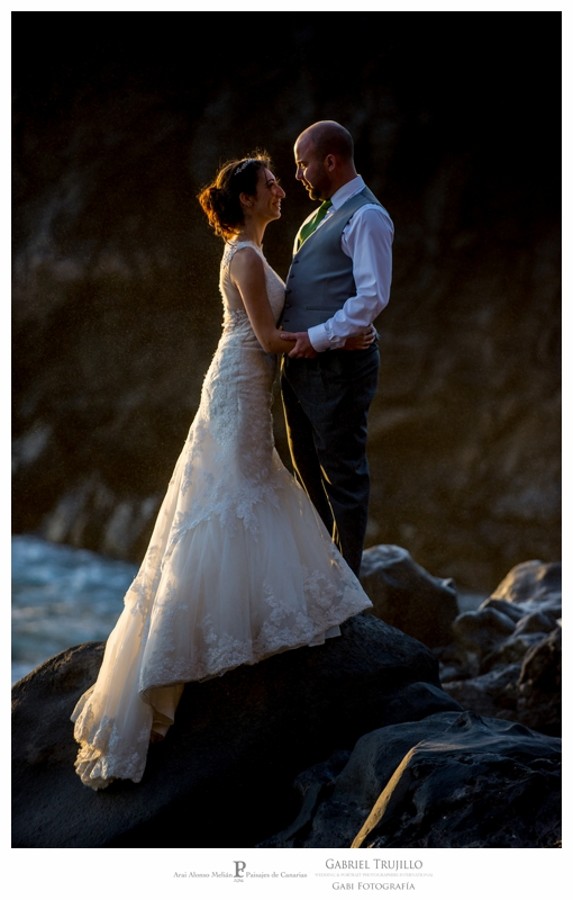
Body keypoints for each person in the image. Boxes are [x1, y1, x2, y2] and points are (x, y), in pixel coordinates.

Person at [70, 152, 374, 791]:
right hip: (238, 383)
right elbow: (265, 339)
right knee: (234, 495)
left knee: (249, 489)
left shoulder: (258, 251)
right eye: (269, 183)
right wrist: (341, 338)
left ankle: (243, 622)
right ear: (244, 199)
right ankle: (200, 640)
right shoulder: (242, 255)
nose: (279, 189)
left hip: (246, 385)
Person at [280, 120, 394, 577]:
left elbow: (372, 297)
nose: (299, 175)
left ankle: (344, 585)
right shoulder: (317, 217)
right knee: (307, 471)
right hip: (302, 370)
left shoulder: (367, 217)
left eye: (303, 164)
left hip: (338, 367)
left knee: (342, 478)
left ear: (330, 161)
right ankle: (320, 574)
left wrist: (318, 338)